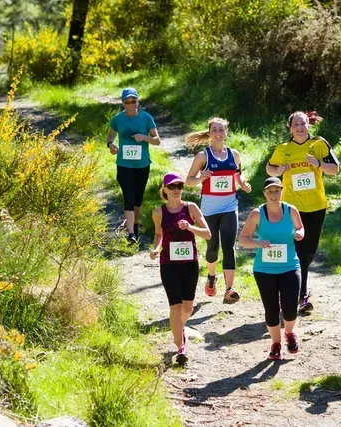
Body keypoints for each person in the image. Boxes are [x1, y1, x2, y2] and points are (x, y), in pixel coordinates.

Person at [266, 111, 339, 313]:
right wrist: (277, 171)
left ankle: (295, 287)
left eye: (303, 123)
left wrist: (318, 164)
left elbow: (335, 169)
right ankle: (301, 295)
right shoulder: (283, 148)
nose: (299, 127)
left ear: (309, 125)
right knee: (299, 250)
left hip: (316, 205)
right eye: (295, 124)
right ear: (290, 127)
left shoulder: (319, 144)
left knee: (310, 251)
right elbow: (269, 168)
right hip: (292, 207)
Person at [185, 117, 252, 303]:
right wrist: (200, 178)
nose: (218, 133)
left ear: (226, 132)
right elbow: (188, 181)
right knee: (213, 247)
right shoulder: (203, 156)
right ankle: (212, 276)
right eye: (214, 129)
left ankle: (229, 289)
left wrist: (243, 184)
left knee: (229, 247)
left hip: (230, 206)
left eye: (221, 130)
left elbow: (238, 174)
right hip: (209, 208)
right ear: (210, 133)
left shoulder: (234, 154)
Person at [239, 177, 305, 360]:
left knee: (291, 307)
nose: (274, 195)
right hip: (264, 269)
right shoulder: (257, 214)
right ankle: (275, 344)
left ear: (282, 191)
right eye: (270, 191)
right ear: (264, 193)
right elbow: (243, 239)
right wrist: (259, 243)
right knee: (271, 308)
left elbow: (301, 228)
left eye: (277, 191)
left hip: (290, 265)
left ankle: (290, 333)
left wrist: (300, 233)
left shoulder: (291, 210)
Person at [150, 172, 211, 364]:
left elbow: (208, 234)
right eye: (172, 187)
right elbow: (159, 234)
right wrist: (155, 249)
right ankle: (181, 347)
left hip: (189, 264)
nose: (176, 190)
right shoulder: (158, 212)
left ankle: (179, 328)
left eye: (179, 187)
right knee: (175, 307)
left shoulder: (191, 208)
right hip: (168, 264)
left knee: (188, 307)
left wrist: (191, 228)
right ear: (165, 189)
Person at [107, 87, 162, 243]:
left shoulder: (146, 118)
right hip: (124, 164)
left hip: (142, 164)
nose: (130, 104)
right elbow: (111, 134)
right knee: (128, 197)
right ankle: (131, 233)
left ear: (137, 101)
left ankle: (135, 224)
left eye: (133, 101)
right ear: (123, 103)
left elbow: (157, 140)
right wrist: (110, 145)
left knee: (138, 199)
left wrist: (144, 137)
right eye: (127, 102)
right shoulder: (118, 119)